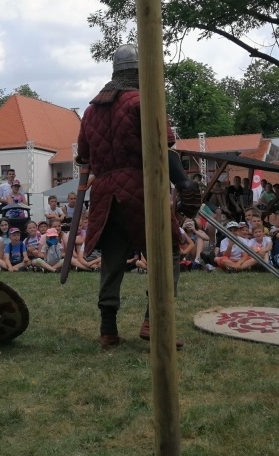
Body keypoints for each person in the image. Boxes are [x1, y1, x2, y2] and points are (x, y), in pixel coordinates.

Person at [76, 44, 202, 349]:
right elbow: (163, 147)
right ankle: (153, 322)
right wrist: (184, 183)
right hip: (140, 189)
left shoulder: (90, 111)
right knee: (168, 253)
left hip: (104, 195)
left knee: (112, 260)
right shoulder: (144, 100)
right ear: (138, 70)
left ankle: (108, 330)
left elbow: (84, 156)